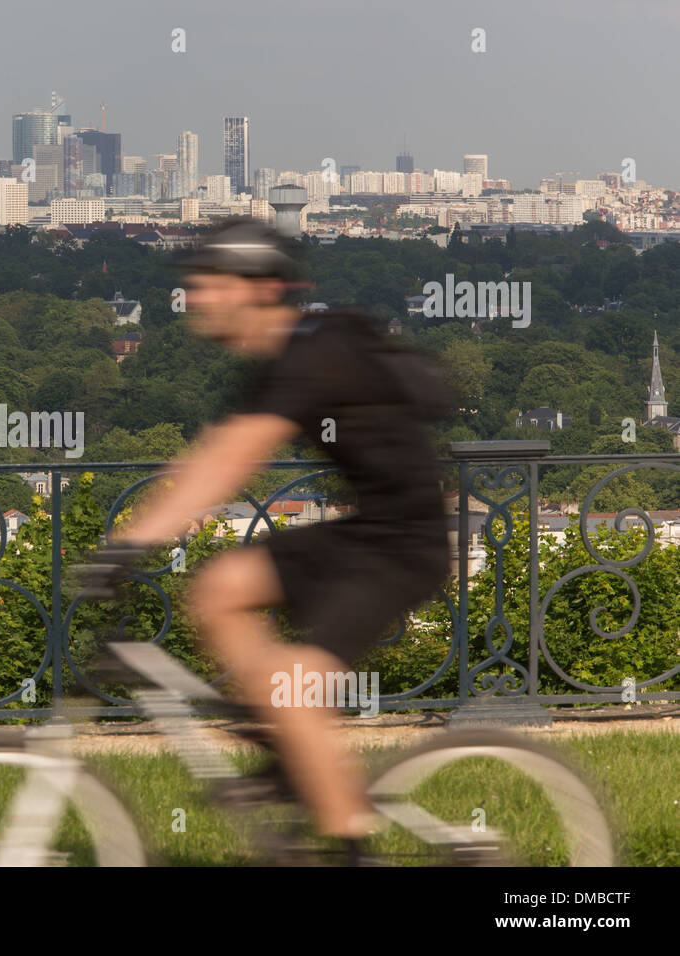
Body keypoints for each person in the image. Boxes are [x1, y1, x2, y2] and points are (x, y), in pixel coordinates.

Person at [77, 218, 454, 846]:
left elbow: (232, 460)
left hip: (401, 550)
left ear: (257, 289)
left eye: (208, 284)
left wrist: (131, 543)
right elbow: (214, 450)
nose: (193, 298)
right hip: (364, 536)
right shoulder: (284, 356)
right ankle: (290, 747)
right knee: (221, 586)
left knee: (295, 687)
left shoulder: (310, 355)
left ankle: (349, 846)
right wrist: (140, 532)